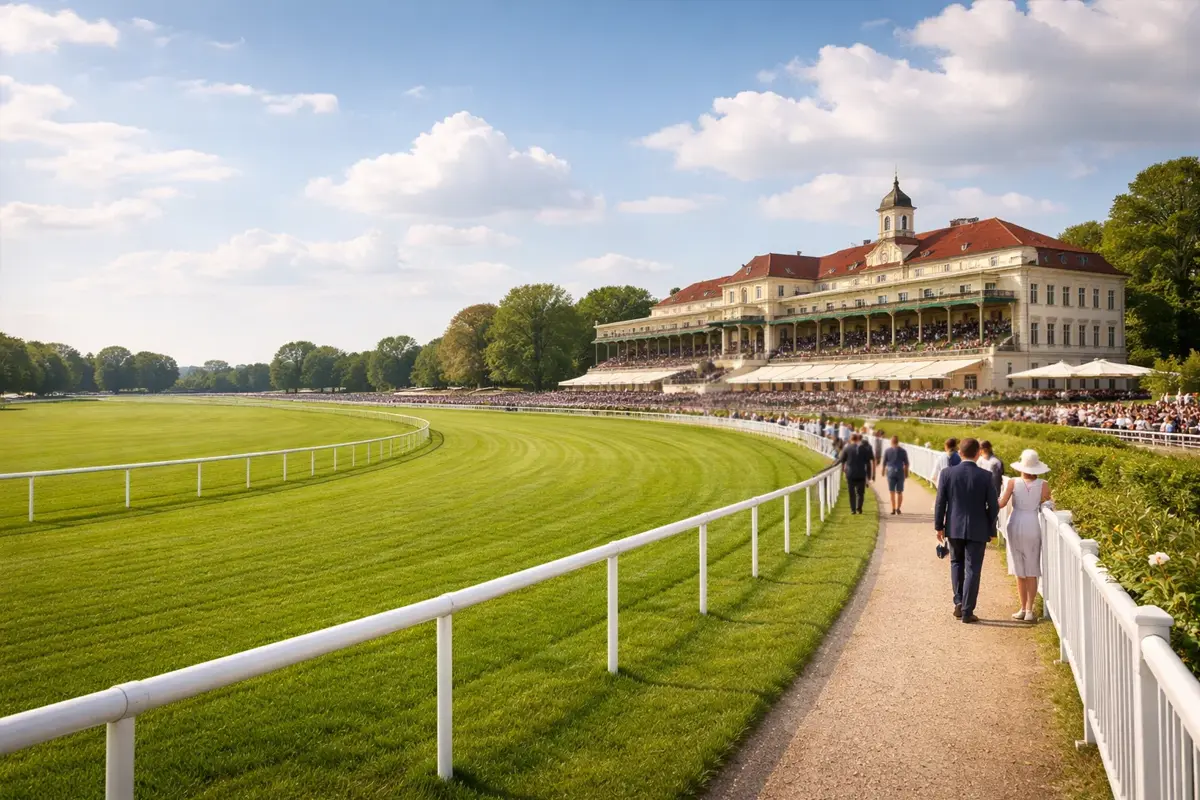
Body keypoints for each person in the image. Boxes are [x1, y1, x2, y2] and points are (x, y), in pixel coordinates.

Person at [933, 438, 999, 623]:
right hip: (978, 527)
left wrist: (939, 526)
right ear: (978, 453)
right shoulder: (985, 476)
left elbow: (940, 502)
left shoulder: (947, 473)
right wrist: (990, 525)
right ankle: (968, 610)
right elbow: (993, 506)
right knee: (973, 569)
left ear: (960, 453)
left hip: (953, 526)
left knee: (956, 563)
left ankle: (958, 601)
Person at [998, 449, 1052, 622]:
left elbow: (1002, 503)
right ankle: (1029, 609)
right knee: (1032, 567)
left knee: (1019, 568)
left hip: (1015, 522)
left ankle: (1022, 608)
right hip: (1033, 523)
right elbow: (1048, 503)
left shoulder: (1013, 482)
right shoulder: (1044, 484)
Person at [837, 432, 875, 514]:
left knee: (851, 493)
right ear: (858, 439)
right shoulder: (864, 449)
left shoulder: (847, 448)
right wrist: (869, 476)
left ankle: (853, 510)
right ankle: (859, 508)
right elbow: (868, 463)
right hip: (861, 473)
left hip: (850, 474)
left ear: (851, 439)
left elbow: (841, 459)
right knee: (860, 493)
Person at [881, 435, 909, 514]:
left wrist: (883, 471)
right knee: (899, 491)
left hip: (890, 471)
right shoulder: (903, 451)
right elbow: (906, 463)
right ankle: (898, 508)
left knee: (892, 491)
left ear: (891, 442)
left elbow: (884, 463)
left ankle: (893, 509)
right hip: (900, 471)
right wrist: (906, 473)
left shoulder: (887, 451)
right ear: (898, 442)